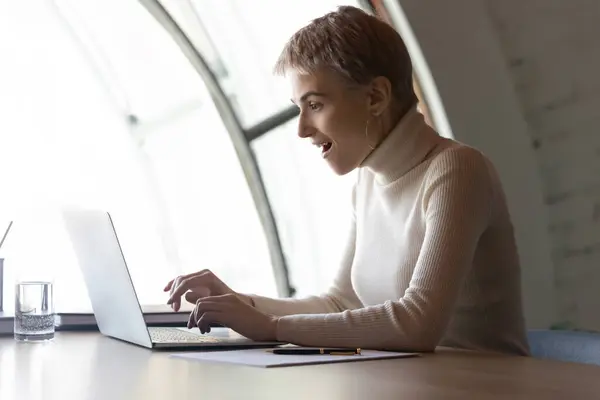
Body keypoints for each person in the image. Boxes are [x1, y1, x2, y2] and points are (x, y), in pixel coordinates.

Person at [164, 5, 530, 355]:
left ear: (376, 97)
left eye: (315, 105)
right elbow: (339, 303)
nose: (302, 130)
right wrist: (240, 303)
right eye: (298, 108)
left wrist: (272, 326)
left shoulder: (458, 171)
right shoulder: (368, 181)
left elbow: (418, 323)